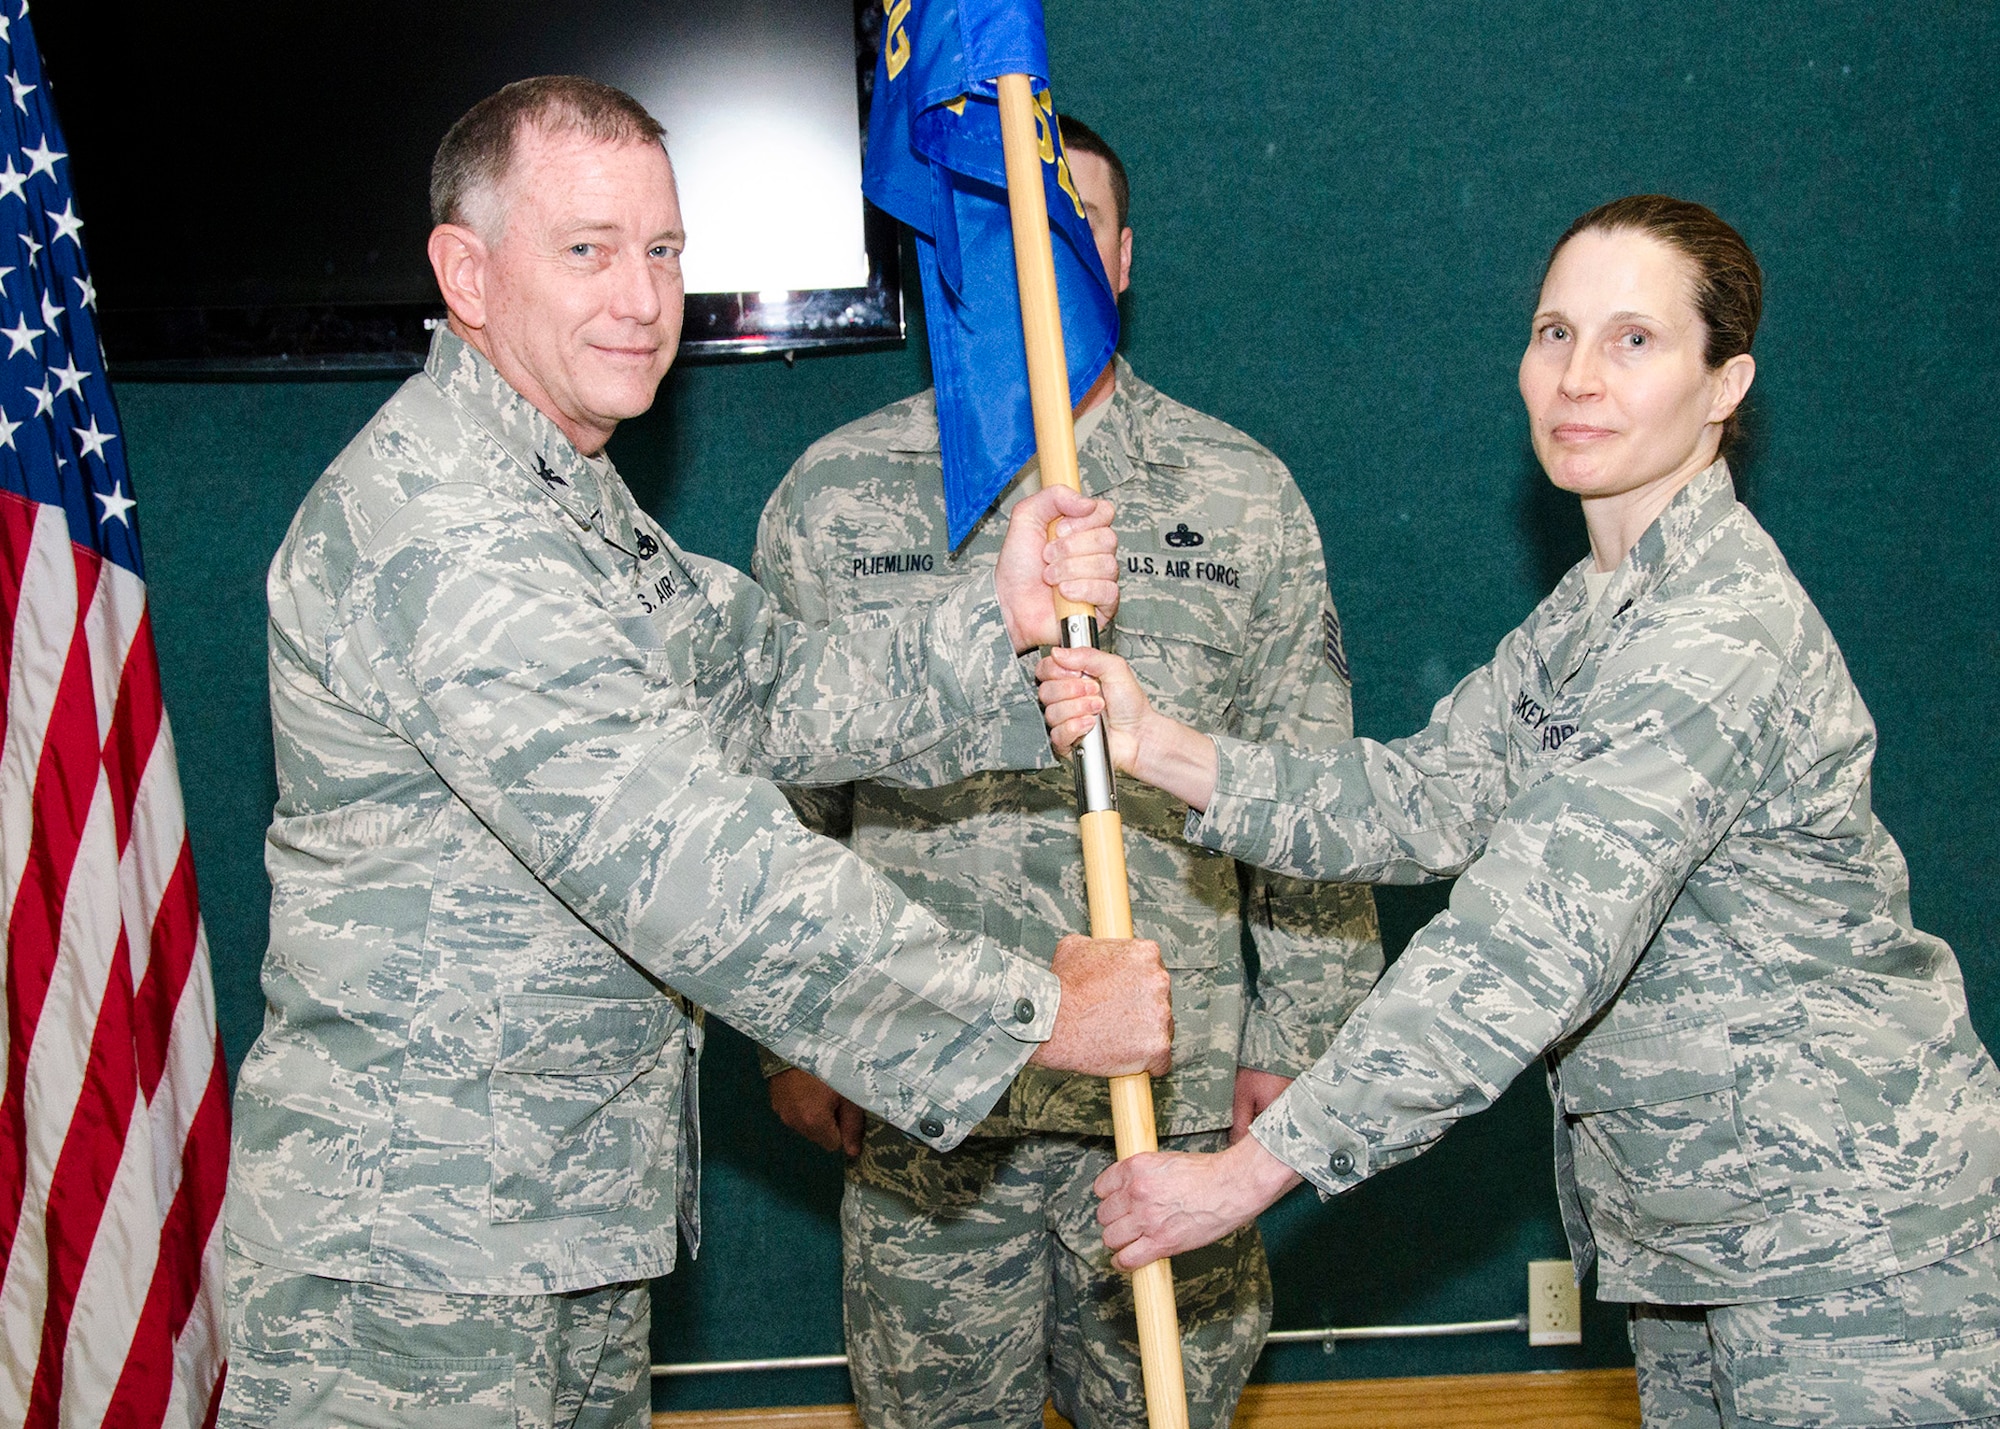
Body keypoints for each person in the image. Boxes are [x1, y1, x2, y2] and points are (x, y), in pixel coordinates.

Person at [219, 77, 1175, 1429]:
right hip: (413, 1272)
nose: (642, 296)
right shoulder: (447, 530)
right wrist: (1041, 1013)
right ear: (467, 272)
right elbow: (697, 866)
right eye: (589, 249)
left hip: (549, 1230)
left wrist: (995, 621)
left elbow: (769, 680)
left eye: (664, 251)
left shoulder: (561, 499)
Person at [1041, 194, 2000, 1428]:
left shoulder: (1713, 629)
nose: (1578, 378)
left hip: (1851, 1254)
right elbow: (1419, 795)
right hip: (1701, 1243)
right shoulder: (1592, 609)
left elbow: (1520, 943)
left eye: (1633, 340)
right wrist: (1158, 743)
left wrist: (1243, 1177)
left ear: (1723, 386)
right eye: (1553, 333)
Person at [753, 116, 1382, 1429]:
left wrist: (1302, 1042)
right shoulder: (835, 497)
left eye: (1072, 220)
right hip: (931, 1119)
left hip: (1177, 1105)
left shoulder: (1243, 494)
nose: (1041, 254)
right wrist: (793, 1037)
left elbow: (1310, 790)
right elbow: (781, 807)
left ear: (1125, 253)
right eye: (1001, 225)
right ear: (955, 256)